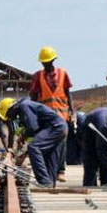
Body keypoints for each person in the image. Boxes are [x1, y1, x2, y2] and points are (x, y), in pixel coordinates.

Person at [0, 97, 67, 187]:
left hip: (54, 127)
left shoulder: (24, 106)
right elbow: (35, 128)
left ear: (11, 109)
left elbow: (33, 127)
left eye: (8, 114)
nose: (10, 117)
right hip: (60, 127)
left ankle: (44, 182)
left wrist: (23, 136)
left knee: (34, 147)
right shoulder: (26, 105)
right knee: (50, 155)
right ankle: (49, 184)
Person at [30, 46, 76, 181]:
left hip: (62, 115)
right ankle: (51, 171)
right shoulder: (37, 76)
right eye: (44, 62)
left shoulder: (63, 73)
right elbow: (33, 96)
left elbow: (68, 93)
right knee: (49, 144)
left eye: (48, 61)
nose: (46, 64)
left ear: (53, 60)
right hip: (45, 117)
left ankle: (60, 170)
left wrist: (72, 112)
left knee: (62, 143)